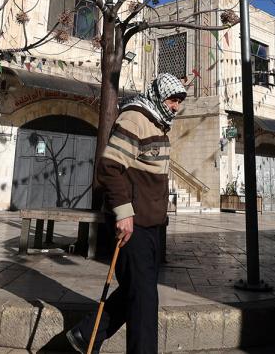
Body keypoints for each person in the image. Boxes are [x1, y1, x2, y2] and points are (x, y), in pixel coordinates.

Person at [66, 73, 187, 354]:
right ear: (158, 94)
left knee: (137, 289)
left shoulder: (158, 122)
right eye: (172, 99)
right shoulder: (134, 118)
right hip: (133, 224)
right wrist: (123, 213)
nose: (175, 106)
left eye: (179, 101)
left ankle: (86, 335)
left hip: (152, 224)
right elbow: (109, 167)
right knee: (145, 299)